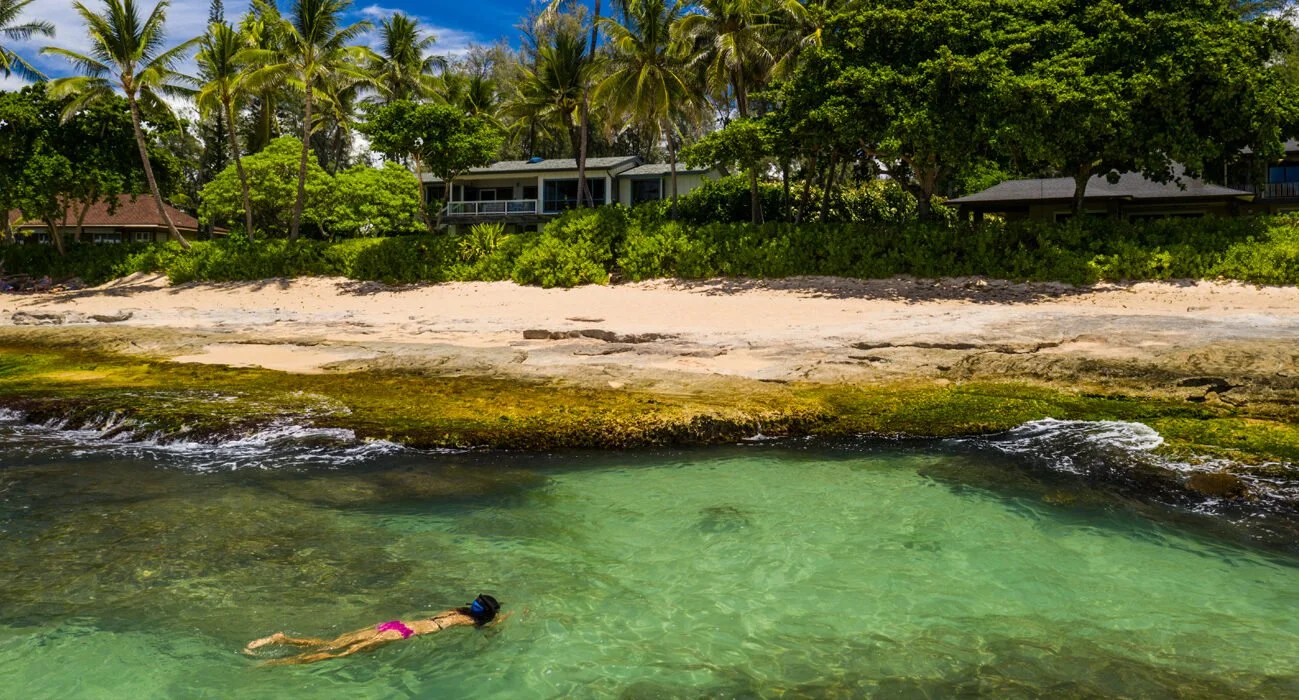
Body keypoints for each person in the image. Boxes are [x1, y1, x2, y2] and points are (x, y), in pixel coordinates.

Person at [245, 594, 502, 665]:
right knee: (341, 654)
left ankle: (283, 638)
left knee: (334, 642)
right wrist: (506, 617)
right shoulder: (471, 621)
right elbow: (490, 627)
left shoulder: (456, 610)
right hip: (402, 633)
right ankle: (279, 664)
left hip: (394, 624)